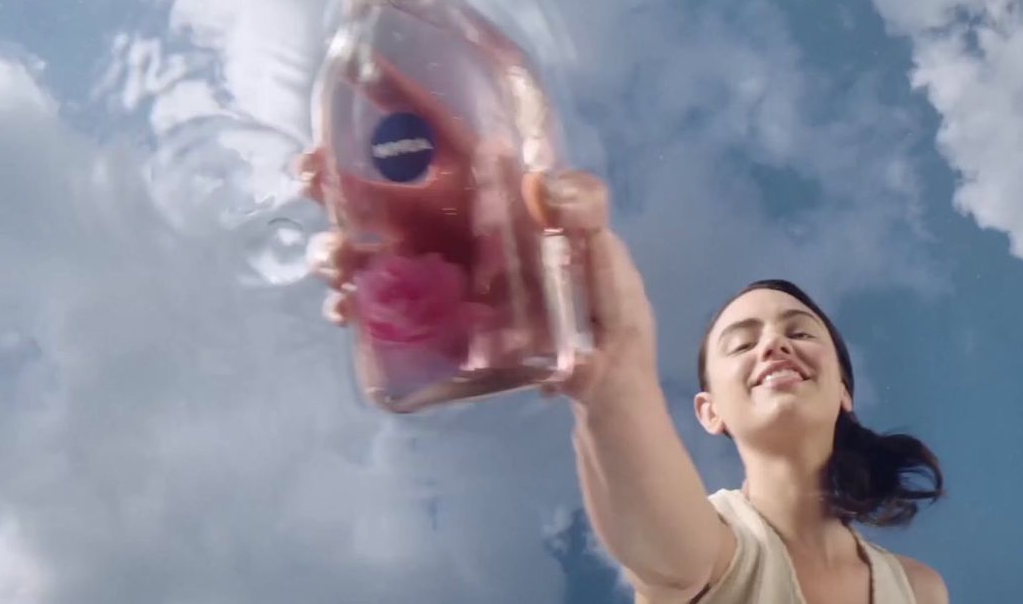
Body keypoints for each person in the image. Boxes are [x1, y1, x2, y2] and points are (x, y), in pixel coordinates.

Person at [306, 161, 949, 602]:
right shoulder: (713, 548)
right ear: (709, 411)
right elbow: (665, 548)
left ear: (843, 389)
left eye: (799, 330)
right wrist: (613, 377)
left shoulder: (918, 589)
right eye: (741, 342)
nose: (773, 343)